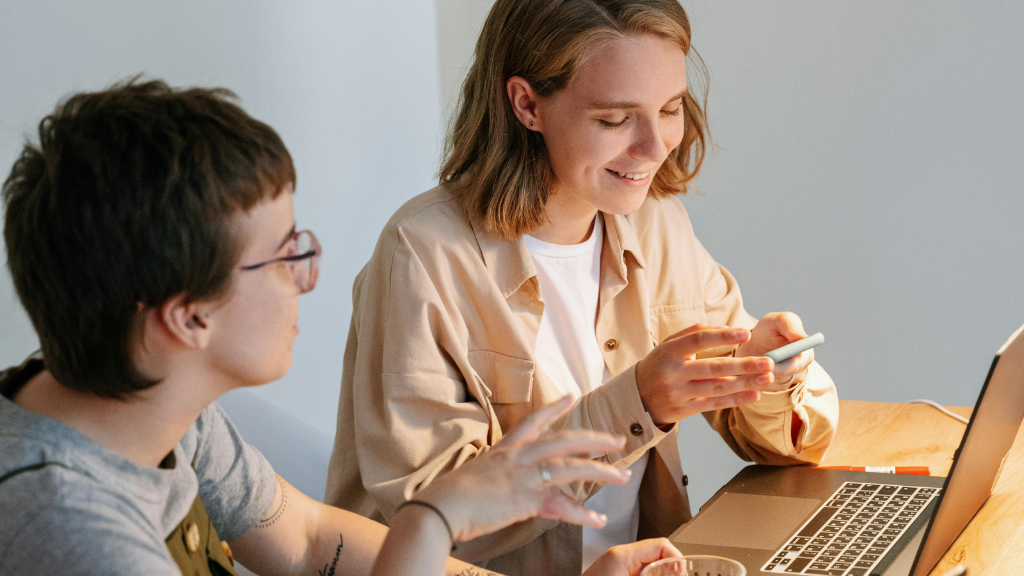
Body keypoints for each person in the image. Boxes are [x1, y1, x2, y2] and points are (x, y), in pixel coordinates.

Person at [0, 80, 682, 576]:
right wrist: (434, 517)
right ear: (188, 317)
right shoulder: (71, 530)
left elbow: (306, 542)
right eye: (284, 256)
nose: (309, 277)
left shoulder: (152, 404)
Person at [325, 1, 841, 575]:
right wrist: (639, 403)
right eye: (614, 120)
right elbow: (431, 531)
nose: (655, 146)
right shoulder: (423, 255)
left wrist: (768, 376)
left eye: (670, 108)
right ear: (527, 104)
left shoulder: (655, 224)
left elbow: (786, 445)